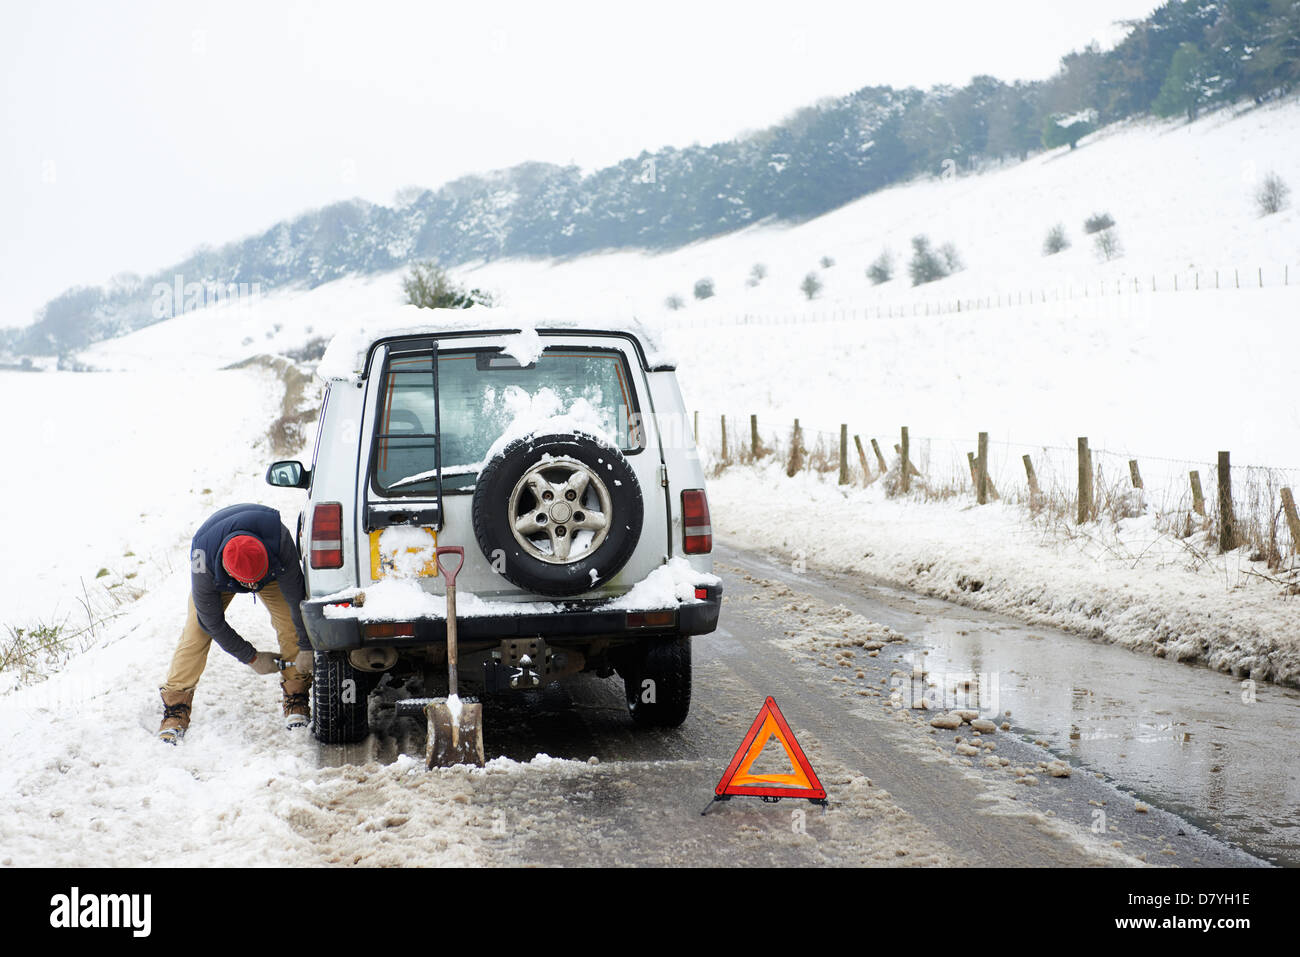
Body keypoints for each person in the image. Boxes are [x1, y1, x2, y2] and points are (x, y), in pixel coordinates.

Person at [157, 503, 315, 743]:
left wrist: (305, 646)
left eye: (255, 583)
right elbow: (211, 621)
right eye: (249, 584)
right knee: (196, 630)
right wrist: (251, 657)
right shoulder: (203, 558)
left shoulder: (279, 540)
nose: (253, 589)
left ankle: (297, 692)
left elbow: (296, 602)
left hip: (270, 569)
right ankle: (176, 706)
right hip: (221, 575)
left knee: (290, 623)